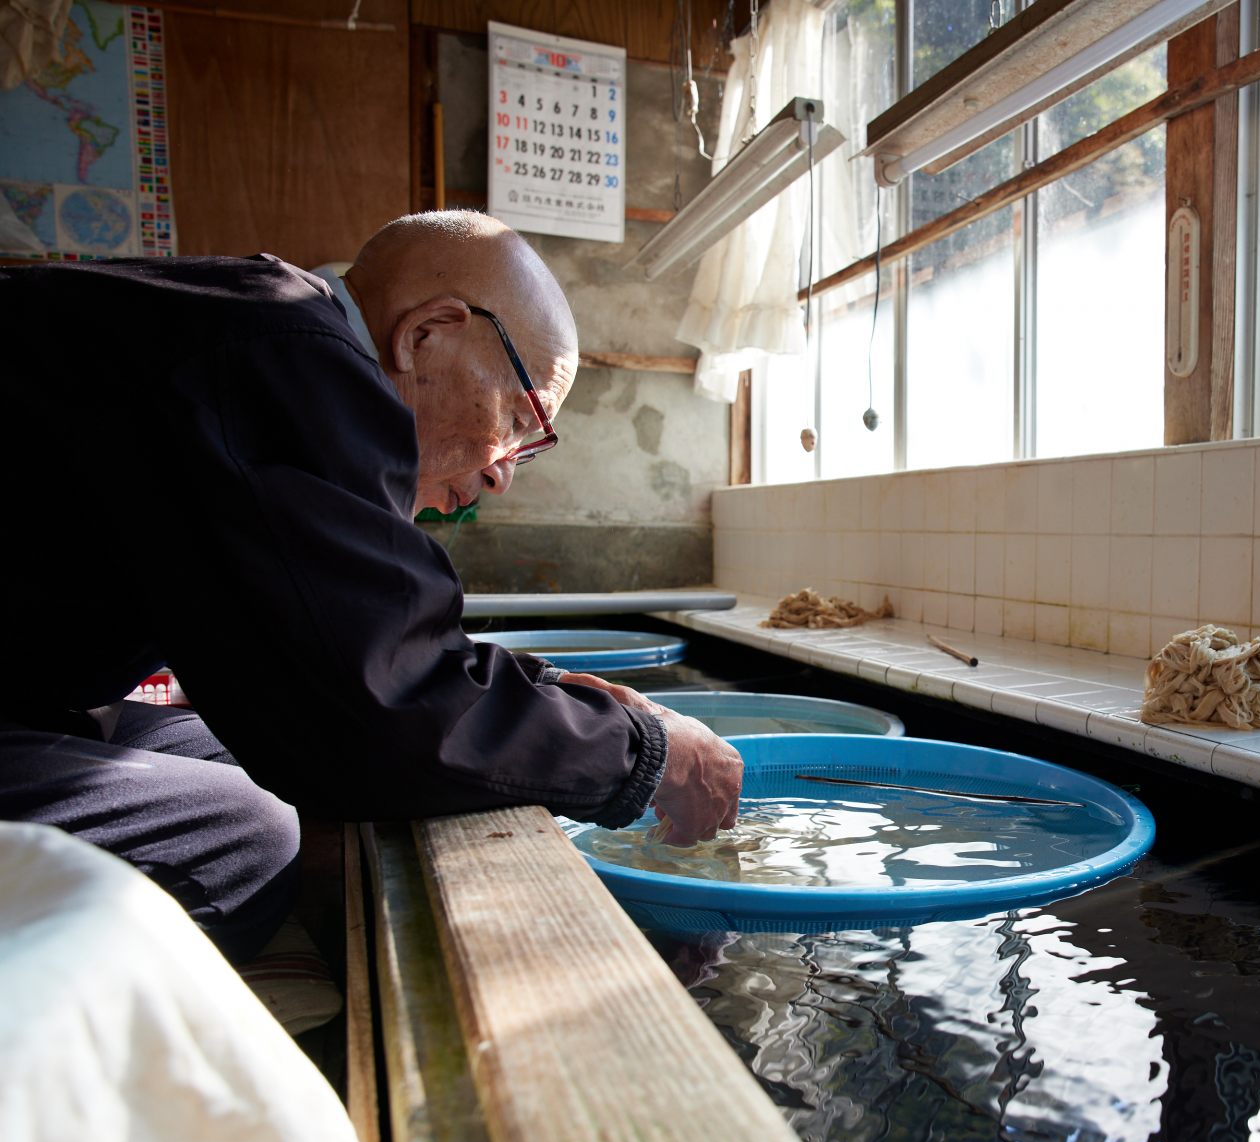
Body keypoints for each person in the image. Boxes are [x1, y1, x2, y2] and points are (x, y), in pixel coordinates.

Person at [0, 211, 743, 960]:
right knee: (238, 836)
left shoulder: (250, 331)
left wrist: (554, 703)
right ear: (427, 334)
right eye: (519, 419)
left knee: (232, 758)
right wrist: (650, 750)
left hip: (35, 707)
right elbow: (383, 708)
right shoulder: (285, 350)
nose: (502, 474)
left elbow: (341, 649)